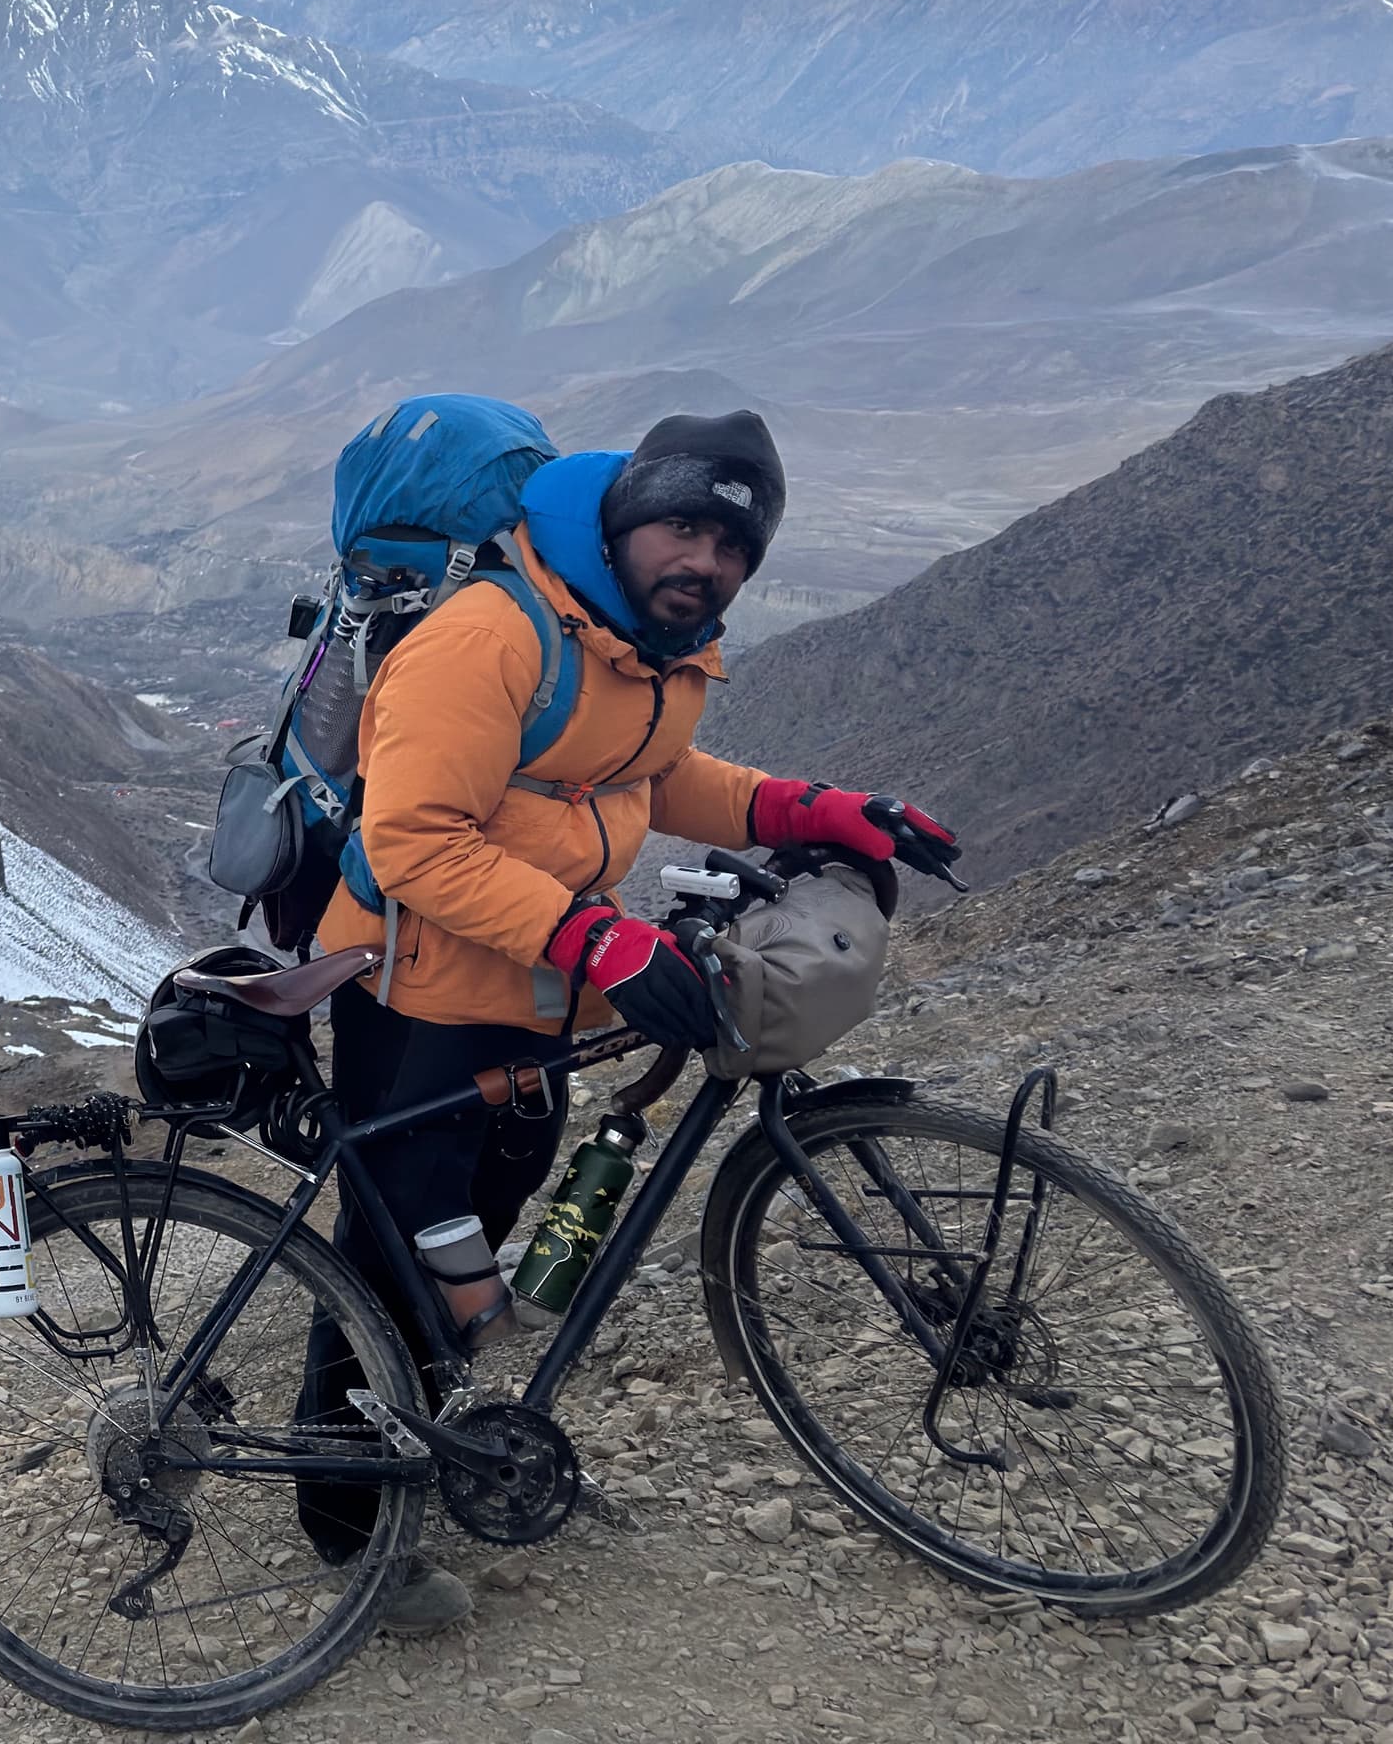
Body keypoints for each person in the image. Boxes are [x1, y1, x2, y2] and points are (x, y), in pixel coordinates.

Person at [295, 409, 958, 1624]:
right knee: (397, 1248)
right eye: (686, 526)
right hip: (415, 987)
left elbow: (657, 774)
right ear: (625, 517)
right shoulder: (493, 634)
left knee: (482, 1227)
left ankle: (429, 1447)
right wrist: (595, 931)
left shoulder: (650, 646)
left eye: (735, 543)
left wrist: (825, 811)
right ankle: (344, 1528)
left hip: (534, 989)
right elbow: (411, 838)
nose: (705, 558)